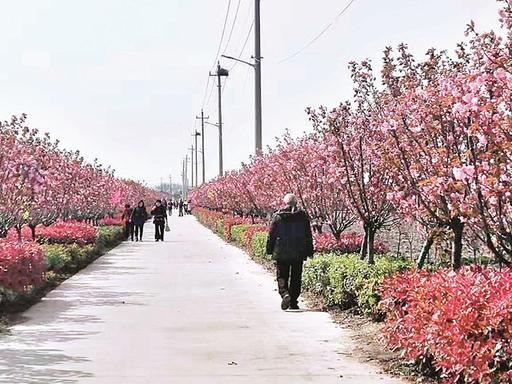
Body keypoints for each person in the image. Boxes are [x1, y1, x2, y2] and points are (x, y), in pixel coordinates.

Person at [266, 193, 314, 311]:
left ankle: (284, 294)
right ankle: (293, 302)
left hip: (281, 251)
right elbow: (308, 235)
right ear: (296, 203)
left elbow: (271, 235)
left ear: (285, 203)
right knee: (296, 277)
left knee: (282, 275)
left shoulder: (278, 216)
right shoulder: (302, 217)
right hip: (298, 251)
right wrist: (309, 250)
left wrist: (269, 249)